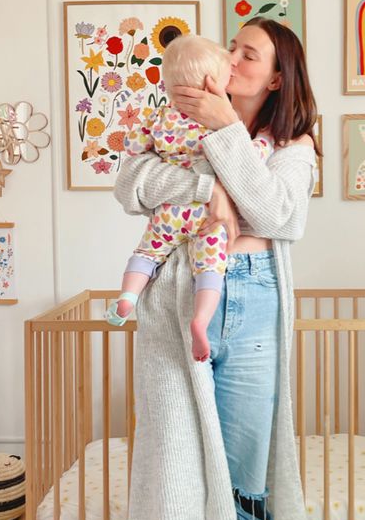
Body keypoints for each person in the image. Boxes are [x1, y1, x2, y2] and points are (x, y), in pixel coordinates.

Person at [114, 17, 319, 520]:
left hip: (256, 304)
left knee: (246, 477)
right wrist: (208, 192)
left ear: (275, 77)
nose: (230, 58)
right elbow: (132, 184)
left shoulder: (291, 146)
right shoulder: (177, 116)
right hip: (181, 309)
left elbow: (278, 214)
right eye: (230, 46)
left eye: (248, 53)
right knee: (177, 480)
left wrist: (226, 133)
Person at [105, 34, 272, 362]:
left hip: (168, 215)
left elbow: (135, 149)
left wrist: (153, 156)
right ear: (213, 84)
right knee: (209, 265)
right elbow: (248, 156)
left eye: (247, 55)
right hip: (205, 219)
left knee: (146, 252)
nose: (234, 64)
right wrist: (263, 143)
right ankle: (201, 319)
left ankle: (127, 295)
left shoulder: (159, 117)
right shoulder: (219, 128)